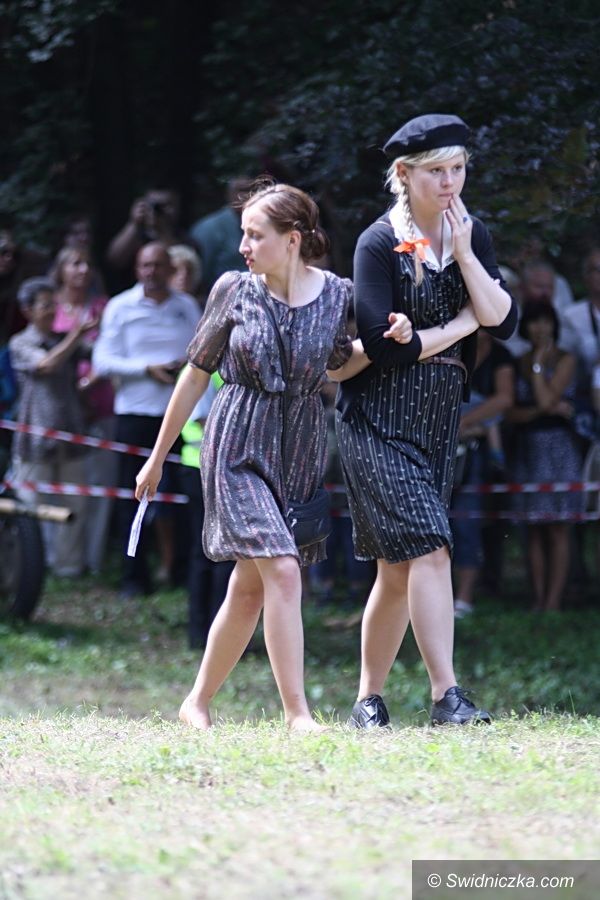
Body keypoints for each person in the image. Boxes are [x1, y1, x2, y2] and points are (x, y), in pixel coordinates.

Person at [135, 182, 368, 731]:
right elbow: (195, 374)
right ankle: (297, 714)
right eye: (243, 234)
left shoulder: (336, 294)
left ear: (292, 239)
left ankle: (196, 702)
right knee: (282, 571)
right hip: (236, 444)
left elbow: (338, 365)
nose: (243, 246)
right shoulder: (233, 289)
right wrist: (158, 456)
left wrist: (388, 342)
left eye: (255, 235)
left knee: (248, 588)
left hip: (300, 448)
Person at [333, 113, 517, 728]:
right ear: (404, 174)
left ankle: (367, 701)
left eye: (457, 169)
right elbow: (383, 349)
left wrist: (465, 256)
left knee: (396, 569)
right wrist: (462, 324)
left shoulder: (472, 232)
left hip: (437, 422)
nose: (449, 182)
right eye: (436, 171)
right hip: (375, 422)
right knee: (433, 548)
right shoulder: (378, 242)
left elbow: (504, 319)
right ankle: (447, 697)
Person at [92, 242, 200, 596]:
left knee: (184, 498)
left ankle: (182, 572)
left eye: (158, 265)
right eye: (144, 265)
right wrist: (146, 369)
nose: (151, 271)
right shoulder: (120, 306)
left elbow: (204, 354)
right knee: (132, 497)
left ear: (170, 268)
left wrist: (180, 369)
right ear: (136, 269)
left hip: (182, 416)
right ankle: (133, 577)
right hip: (135, 414)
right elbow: (102, 361)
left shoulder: (187, 306)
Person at [8, 277, 96, 576]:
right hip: (33, 437)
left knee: (76, 505)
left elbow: (99, 355)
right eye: (45, 305)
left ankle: (68, 567)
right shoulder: (20, 342)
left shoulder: (64, 339)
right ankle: (29, 569)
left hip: (71, 434)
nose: (51, 311)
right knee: (29, 506)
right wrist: (75, 336)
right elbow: (46, 364)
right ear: (28, 310)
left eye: (53, 304)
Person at [506, 302, 582, 612]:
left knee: (557, 528)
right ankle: (538, 599)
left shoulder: (566, 360)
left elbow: (546, 398)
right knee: (533, 528)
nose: (540, 328)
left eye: (546, 321)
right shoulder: (516, 362)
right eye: (534, 321)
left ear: (554, 325)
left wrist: (538, 367)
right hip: (527, 449)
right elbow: (513, 412)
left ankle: (553, 602)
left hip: (559, 450)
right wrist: (544, 409)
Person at [52, 246, 115, 574]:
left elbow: (113, 348)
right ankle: (59, 560)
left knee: (100, 485)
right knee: (61, 488)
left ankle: (94, 558)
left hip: (100, 406)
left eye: (88, 263)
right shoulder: (48, 305)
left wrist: (89, 384)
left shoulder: (104, 307)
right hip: (60, 411)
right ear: (61, 269)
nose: (82, 269)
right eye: (75, 263)